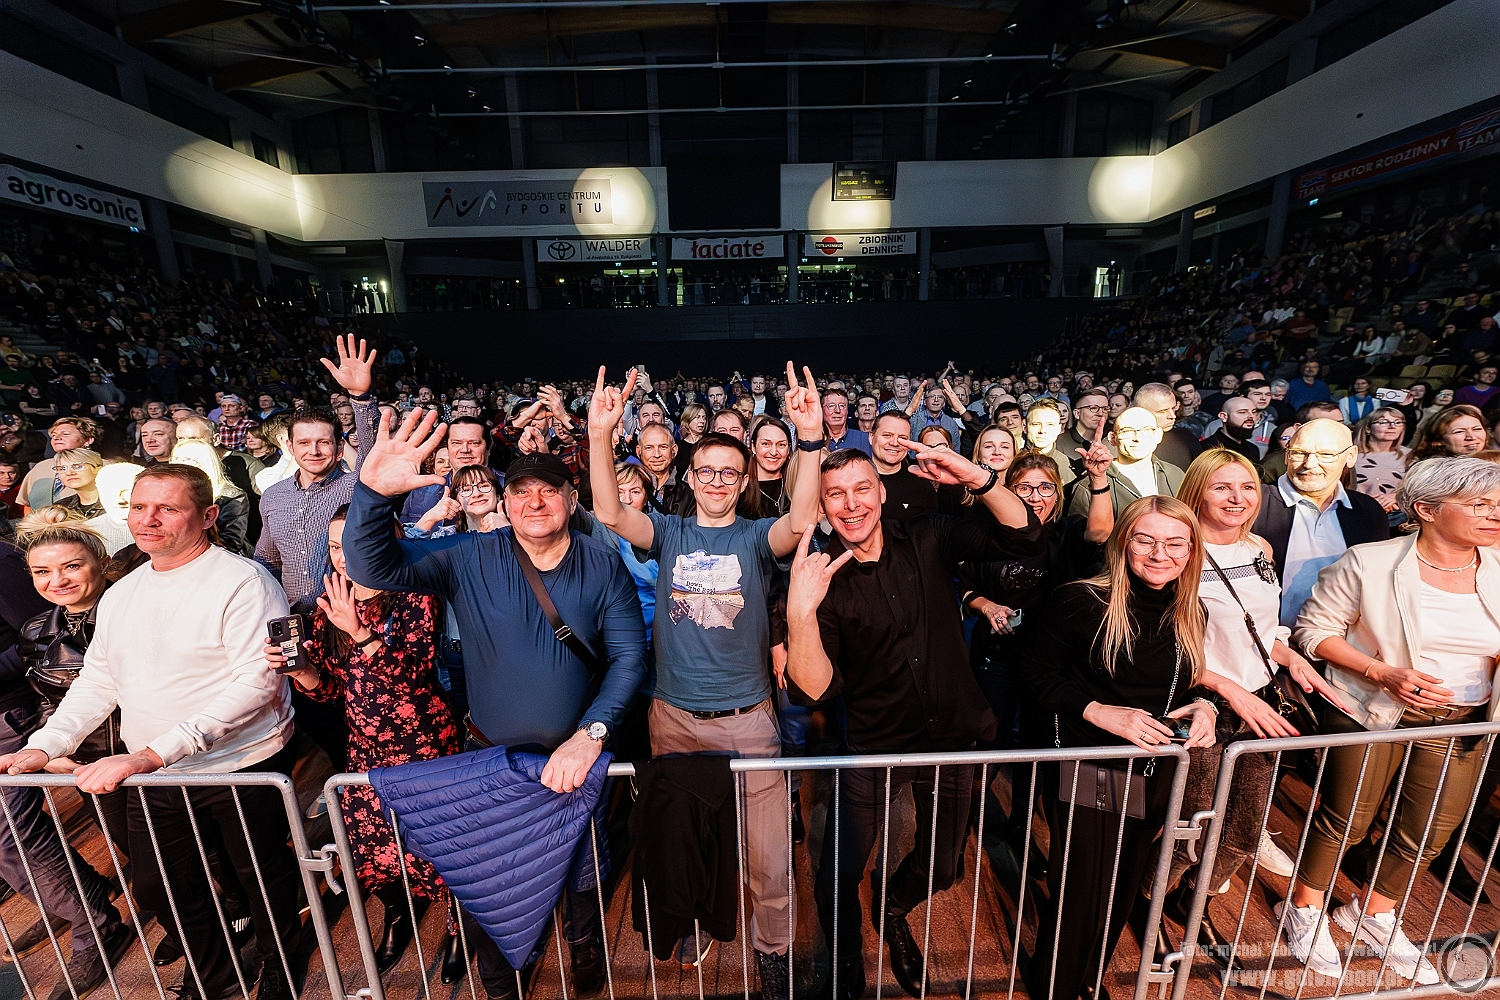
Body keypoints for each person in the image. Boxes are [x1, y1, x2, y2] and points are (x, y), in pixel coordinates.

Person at [345, 411, 646, 1000]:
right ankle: (500, 982)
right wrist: (374, 496)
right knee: (491, 878)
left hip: (574, 761)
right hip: (491, 760)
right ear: (505, 502)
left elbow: (629, 657)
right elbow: (371, 565)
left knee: (582, 869)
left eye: (548, 491)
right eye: (521, 491)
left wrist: (591, 734)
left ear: (570, 499)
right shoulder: (469, 554)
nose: (535, 502)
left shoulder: (601, 560)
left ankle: (585, 948)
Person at [0, 464, 305, 1000]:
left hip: (238, 764)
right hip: (157, 771)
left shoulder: (244, 581)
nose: (148, 519)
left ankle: (281, 958)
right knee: (160, 885)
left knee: (260, 877)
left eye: (168, 508)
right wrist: (45, 745)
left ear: (208, 516)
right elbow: (99, 681)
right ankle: (214, 977)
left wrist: (150, 755)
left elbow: (257, 684)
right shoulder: (124, 592)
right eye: (139, 507)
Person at [587, 362, 825, 998]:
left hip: (748, 719)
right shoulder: (668, 532)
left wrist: (810, 440)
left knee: (769, 856)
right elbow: (609, 511)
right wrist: (600, 435)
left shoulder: (755, 537)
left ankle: (772, 951)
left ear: (743, 481)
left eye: (729, 472)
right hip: (674, 719)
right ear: (689, 478)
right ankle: (693, 920)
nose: (717, 480)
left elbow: (801, 519)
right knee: (685, 840)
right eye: (706, 471)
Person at [784, 440, 1041, 1000]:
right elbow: (813, 690)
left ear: (881, 492)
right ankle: (846, 967)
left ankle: (893, 905)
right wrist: (800, 614)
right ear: (823, 507)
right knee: (838, 872)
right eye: (836, 495)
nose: (851, 504)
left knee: (944, 869)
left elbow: (1023, 535)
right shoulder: (819, 575)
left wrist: (978, 477)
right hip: (874, 745)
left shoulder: (929, 534)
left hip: (953, 737)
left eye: (861, 489)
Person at [1283, 457, 1500, 984]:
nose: (1494, 515)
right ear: (1426, 509)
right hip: (1373, 709)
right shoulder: (1370, 561)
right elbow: (1313, 632)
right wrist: (1382, 672)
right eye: (1478, 505)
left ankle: (1372, 913)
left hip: (1464, 720)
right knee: (1347, 820)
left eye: (1497, 504)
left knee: (1429, 831)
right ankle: (1304, 907)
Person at [1019, 496, 1218, 1000]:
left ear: (1191, 550)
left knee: (1122, 888)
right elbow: (1033, 674)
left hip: (1154, 769)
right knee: (1083, 891)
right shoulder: (1081, 601)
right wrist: (1099, 711)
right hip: (1092, 766)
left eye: (1174, 543)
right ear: (1123, 544)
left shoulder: (1191, 609)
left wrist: (1205, 706)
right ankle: (1056, 988)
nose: (1160, 554)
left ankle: (1088, 979)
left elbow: (1181, 683)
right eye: (1144, 540)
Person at [1161, 450, 1349, 960]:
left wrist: (1291, 657)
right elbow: (1162, 647)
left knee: (1243, 832)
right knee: (1190, 826)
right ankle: (1148, 903)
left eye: (1247, 487)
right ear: (1197, 491)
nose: (1237, 498)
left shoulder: (1259, 547)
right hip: (1201, 703)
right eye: (1222, 487)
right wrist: (1228, 689)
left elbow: (1260, 627)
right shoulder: (1178, 552)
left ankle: (1190, 899)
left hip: (1261, 701)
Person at [265, 505, 462, 979]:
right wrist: (302, 671)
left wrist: (359, 631)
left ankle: (459, 924)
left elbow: (411, 678)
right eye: (335, 547)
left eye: (353, 544)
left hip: (424, 744)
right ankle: (398, 911)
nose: (343, 556)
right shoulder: (328, 604)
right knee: (371, 846)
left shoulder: (416, 595)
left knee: (441, 842)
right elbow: (333, 690)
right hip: (365, 749)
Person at [1, 513, 133, 1000]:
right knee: (135, 848)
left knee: (188, 852)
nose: (56, 579)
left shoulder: (126, 610)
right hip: (77, 750)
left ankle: (241, 929)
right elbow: (42, 674)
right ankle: (78, 900)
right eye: (43, 571)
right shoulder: (38, 628)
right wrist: (53, 741)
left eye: (70, 566)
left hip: (139, 749)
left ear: (99, 561)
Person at [255, 335, 380, 612]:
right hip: (293, 619)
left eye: (323, 442)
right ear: (290, 447)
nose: (314, 451)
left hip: (349, 616)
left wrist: (360, 398)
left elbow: (372, 454)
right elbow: (267, 559)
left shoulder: (355, 486)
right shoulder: (274, 496)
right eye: (304, 443)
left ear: (339, 448)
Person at [1251, 419, 1390, 626]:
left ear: (1350, 456)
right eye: (1299, 453)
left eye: (1325, 454)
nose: (1309, 464)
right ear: (1286, 455)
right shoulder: (1253, 504)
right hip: (1267, 638)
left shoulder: (1367, 511)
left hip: (1344, 638)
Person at [1070, 406, 1184, 519]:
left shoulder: (1175, 475)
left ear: (1158, 435)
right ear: (1112, 438)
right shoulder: (1090, 486)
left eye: (1147, 430)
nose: (1138, 438)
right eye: (1127, 431)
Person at [868, 411, 963, 520]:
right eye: (887, 435)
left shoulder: (922, 487)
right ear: (871, 436)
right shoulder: (854, 479)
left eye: (902, 438)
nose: (894, 443)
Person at [171, 438, 253, 556]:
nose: (178, 464)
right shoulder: (168, 494)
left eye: (187, 459)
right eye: (175, 459)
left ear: (205, 462)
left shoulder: (232, 496)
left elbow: (231, 541)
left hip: (220, 558)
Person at [20, 417, 98, 512]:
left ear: (88, 440)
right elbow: (27, 505)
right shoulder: (41, 467)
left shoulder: (102, 467)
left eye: (66, 434)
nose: (56, 438)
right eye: (53, 435)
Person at [1352, 410, 1410, 522]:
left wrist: (1396, 497)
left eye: (1398, 422)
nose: (1392, 426)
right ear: (1368, 428)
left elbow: (1418, 490)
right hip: (1355, 514)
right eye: (1383, 422)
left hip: (1394, 519)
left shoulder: (1410, 456)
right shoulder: (1351, 455)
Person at [1023, 398, 1077, 487]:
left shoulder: (1063, 462)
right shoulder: (1013, 461)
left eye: (1050, 424)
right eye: (1036, 424)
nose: (1042, 430)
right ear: (1025, 427)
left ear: (1059, 429)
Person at [1409, 404, 1488, 464]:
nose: (1472, 437)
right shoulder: (1429, 471)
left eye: (1477, 429)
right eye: (1459, 431)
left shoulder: (1493, 462)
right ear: (1438, 440)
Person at [1201, 395, 1263, 467]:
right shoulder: (1208, 448)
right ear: (1223, 416)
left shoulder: (1253, 449)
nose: (1251, 416)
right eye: (1243, 412)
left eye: (1254, 412)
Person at [52, 448, 106, 519]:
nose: (69, 473)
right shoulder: (60, 508)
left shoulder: (117, 503)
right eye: (62, 469)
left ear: (98, 469)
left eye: (78, 466)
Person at [822, 387, 871, 455]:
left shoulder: (863, 438)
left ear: (847, 410)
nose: (837, 410)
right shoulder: (814, 441)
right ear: (821, 410)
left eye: (842, 406)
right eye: (831, 406)